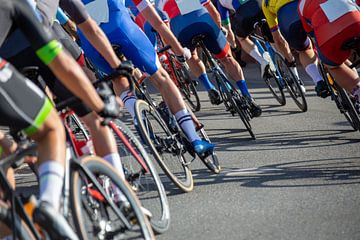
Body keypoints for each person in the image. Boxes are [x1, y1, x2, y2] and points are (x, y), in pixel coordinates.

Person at [0, 0, 119, 238]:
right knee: (51, 128)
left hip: (15, 61)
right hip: (43, 47)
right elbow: (61, 62)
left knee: (5, 168)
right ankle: (49, 207)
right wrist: (100, 105)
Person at [77, 0, 215, 154]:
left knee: (118, 79)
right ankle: (194, 138)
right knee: (162, 78)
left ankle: (139, 121)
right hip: (120, 27)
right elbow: (155, 20)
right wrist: (177, 49)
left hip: (90, 40)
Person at [146, 0, 263, 117]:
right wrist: (219, 30)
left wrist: (176, 52)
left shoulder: (157, 2)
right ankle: (247, 96)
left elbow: (164, 32)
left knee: (192, 56)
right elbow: (214, 12)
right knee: (227, 58)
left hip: (181, 28)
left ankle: (209, 88)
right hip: (203, 20)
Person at [262, 0, 328, 96]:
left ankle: (318, 80)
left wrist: (289, 61)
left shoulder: (265, 3)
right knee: (324, 41)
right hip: (306, 9)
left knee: (304, 50)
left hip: (288, 21)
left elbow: (278, 39)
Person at [298, 0, 360, 101]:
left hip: (328, 37)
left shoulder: (301, 5)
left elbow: (312, 35)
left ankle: (358, 92)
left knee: (334, 66)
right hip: (356, 22)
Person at [214, 0, 272, 78]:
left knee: (242, 38)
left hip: (244, 15)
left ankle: (262, 61)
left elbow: (227, 29)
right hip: (259, 6)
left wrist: (234, 46)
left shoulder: (220, 2)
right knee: (272, 31)